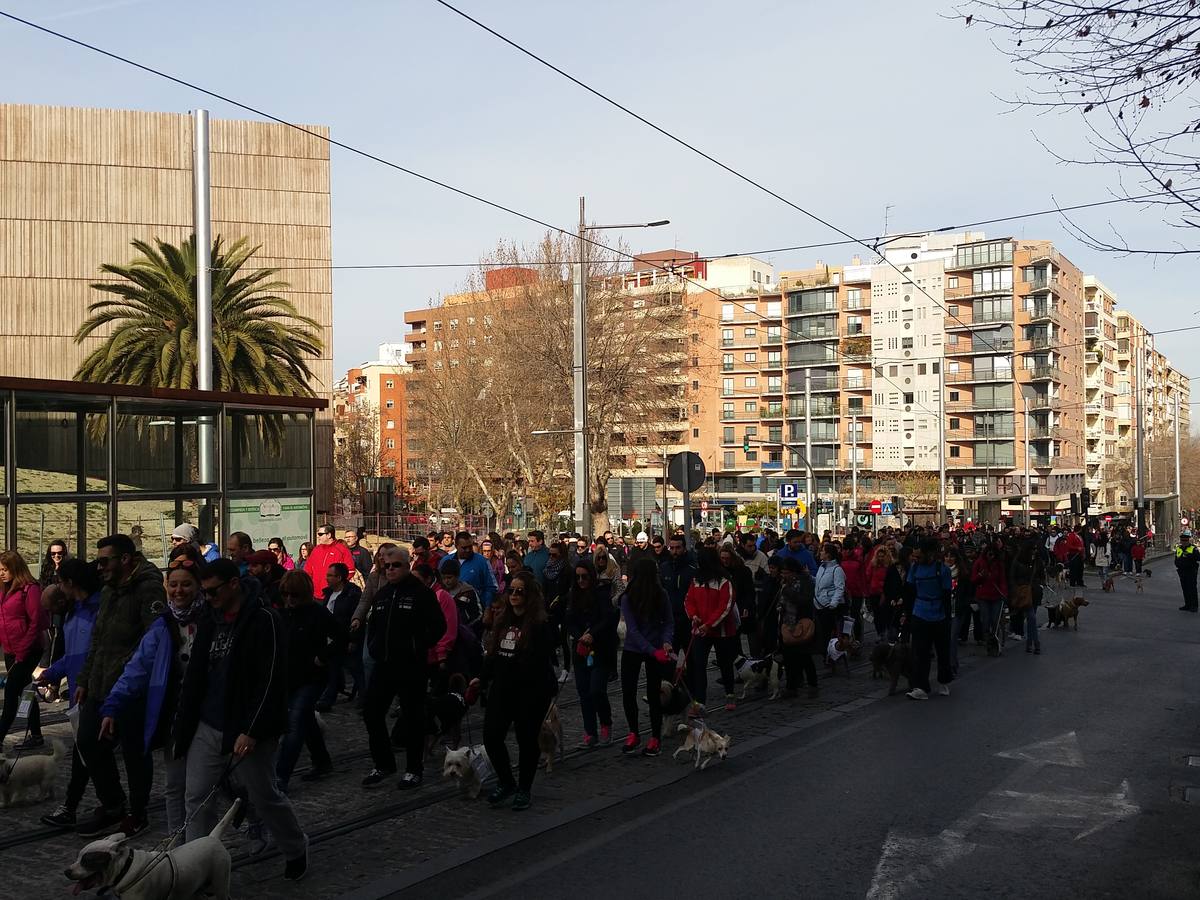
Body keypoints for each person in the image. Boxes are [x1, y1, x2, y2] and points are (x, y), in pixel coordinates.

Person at [174, 558, 309, 881]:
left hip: (249, 728)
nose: (208, 597)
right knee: (197, 797)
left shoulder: (265, 619)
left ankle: (295, 846)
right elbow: (195, 675)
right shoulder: (209, 617)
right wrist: (184, 723)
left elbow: (272, 678)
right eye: (204, 592)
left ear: (234, 584)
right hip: (209, 722)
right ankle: (196, 867)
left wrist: (252, 730)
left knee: (263, 795)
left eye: (213, 591)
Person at [98, 556, 205, 834]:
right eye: (173, 584)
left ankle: (200, 848)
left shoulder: (212, 621)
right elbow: (136, 669)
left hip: (209, 715)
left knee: (203, 789)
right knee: (174, 786)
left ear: (199, 586)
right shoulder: (162, 626)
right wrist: (113, 706)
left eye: (186, 584)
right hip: (174, 716)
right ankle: (175, 848)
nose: (179, 590)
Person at [74, 535, 164, 838]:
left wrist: (129, 676)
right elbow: (97, 639)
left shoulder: (147, 588)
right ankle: (112, 803)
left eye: (104, 561)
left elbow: (154, 640)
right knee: (87, 740)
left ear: (125, 559)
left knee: (135, 753)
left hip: (130, 687)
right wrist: (85, 679)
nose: (100, 568)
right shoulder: (109, 590)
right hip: (100, 683)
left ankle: (138, 813)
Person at [470, 571, 557, 811]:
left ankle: (524, 789)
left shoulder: (540, 623)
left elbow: (543, 656)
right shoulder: (503, 620)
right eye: (511, 591)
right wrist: (481, 677)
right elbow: (493, 654)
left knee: (527, 740)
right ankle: (507, 782)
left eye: (520, 591)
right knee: (491, 736)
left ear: (530, 595)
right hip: (503, 687)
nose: (515, 595)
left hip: (531, 691)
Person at [360, 547, 445, 790]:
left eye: (395, 565)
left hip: (411, 666)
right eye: (387, 566)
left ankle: (413, 769)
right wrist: (374, 647)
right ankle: (383, 763)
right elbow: (374, 625)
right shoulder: (384, 594)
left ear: (407, 566)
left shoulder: (421, 593)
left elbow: (438, 626)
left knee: (413, 718)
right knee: (371, 712)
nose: (390, 570)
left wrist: (418, 646)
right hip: (384, 665)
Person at [35, 559, 102, 828]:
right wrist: (50, 673)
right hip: (77, 695)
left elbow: (92, 655)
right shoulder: (73, 614)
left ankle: (82, 805)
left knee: (86, 753)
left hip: (95, 693)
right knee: (85, 754)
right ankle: (95, 804)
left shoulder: (98, 610)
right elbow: (73, 657)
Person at [275, 570, 340, 793]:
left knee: (294, 725)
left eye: (294, 596)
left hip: (312, 677)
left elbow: (342, 637)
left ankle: (280, 776)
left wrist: (323, 656)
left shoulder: (317, 613)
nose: (290, 600)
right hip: (288, 677)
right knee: (305, 720)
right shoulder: (282, 614)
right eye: (286, 595)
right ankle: (322, 761)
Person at [617, 558, 673, 756]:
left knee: (653, 693)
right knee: (628, 691)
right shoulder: (628, 598)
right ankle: (634, 732)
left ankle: (654, 736)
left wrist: (666, 641)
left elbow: (668, 622)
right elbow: (633, 630)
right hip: (636, 648)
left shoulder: (661, 595)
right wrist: (654, 650)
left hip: (654, 647)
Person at [565, 559, 617, 749]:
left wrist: (592, 634)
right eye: (577, 577)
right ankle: (590, 731)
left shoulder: (601, 594)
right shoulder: (573, 595)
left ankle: (605, 723)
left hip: (600, 649)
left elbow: (608, 619)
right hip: (580, 649)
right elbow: (569, 620)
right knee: (584, 692)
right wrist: (580, 636)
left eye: (584, 577)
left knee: (596, 689)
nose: (581, 581)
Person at [0, 550, 47, 750]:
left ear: (15, 569)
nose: (1, 573)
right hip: (11, 648)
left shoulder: (30, 589)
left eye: (4, 569)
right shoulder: (4, 589)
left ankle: (0, 736)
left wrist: (22, 652)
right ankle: (36, 734)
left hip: (28, 648)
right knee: (25, 690)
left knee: (11, 693)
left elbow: (36, 622)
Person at [684, 547, 738, 711]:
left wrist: (709, 624)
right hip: (700, 629)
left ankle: (730, 692)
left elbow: (725, 607)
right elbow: (689, 600)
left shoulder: (724, 581)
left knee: (724, 663)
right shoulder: (696, 580)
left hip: (720, 631)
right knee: (699, 665)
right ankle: (700, 701)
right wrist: (693, 616)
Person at [906, 539, 953, 701]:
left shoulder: (943, 570)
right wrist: (907, 614)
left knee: (942, 651)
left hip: (939, 613)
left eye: (919, 556)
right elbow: (910, 592)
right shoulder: (915, 568)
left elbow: (947, 595)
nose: (915, 559)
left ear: (930, 554)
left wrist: (947, 617)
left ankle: (944, 681)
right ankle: (921, 686)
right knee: (920, 652)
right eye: (915, 556)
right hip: (919, 612)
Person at [318, 562, 364, 711]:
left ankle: (364, 698)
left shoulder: (352, 593)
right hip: (332, 639)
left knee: (355, 669)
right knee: (333, 669)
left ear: (339, 577)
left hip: (346, 637)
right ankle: (327, 699)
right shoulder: (329, 593)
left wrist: (353, 639)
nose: (327, 578)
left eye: (331, 576)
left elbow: (356, 617)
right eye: (327, 575)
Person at [777, 558, 818, 699]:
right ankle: (791, 687)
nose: (783, 575)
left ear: (794, 572)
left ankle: (812, 685)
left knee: (805, 657)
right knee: (789, 659)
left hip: (802, 623)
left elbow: (805, 601)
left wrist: (787, 591)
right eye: (782, 572)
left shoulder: (805, 582)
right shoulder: (785, 584)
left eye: (786, 572)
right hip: (788, 623)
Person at [439, 532, 498, 610]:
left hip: (475, 610)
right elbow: (440, 583)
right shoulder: (445, 561)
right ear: (456, 546)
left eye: (470, 547)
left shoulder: (482, 561)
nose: (468, 550)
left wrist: (487, 608)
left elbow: (491, 587)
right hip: (449, 609)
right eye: (464, 548)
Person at [971, 545, 1008, 656]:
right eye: (989, 553)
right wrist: (980, 575)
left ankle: (995, 641)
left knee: (995, 621)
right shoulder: (979, 563)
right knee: (985, 620)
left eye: (992, 554)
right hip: (983, 597)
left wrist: (1004, 593)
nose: (990, 556)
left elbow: (1002, 580)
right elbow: (973, 580)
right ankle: (988, 643)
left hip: (996, 596)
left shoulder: (998, 564)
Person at [305, 525, 357, 601]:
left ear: (329, 535)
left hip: (334, 595)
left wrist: (338, 585)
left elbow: (350, 570)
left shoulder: (342, 550)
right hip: (315, 595)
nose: (318, 537)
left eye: (320, 534)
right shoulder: (316, 550)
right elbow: (308, 569)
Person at [813, 544, 846, 649]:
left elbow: (840, 588)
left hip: (829, 607)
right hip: (819, 605)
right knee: (822, 632)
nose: (820, 553)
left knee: (829, 633)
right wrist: (809, 576)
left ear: (828, 554)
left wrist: (833, 604)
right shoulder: (822, 567)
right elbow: (819, 583)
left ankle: (831, 654)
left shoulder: (837, 570)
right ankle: (825, 653)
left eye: (822, 551)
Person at [1177, 530, 1199, 612]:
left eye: (1186, 540)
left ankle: (1194, 606)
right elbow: (1176, 559)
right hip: (1182, 571)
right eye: (1182, 540)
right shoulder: (1179, 548)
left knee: (1192, 588)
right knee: (1185, 588)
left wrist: (1190, 556)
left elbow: (1198, 558)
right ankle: (1187, 604)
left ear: (1188, 540)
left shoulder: (1193, 548)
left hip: (1191, 571)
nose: (1184, 542)